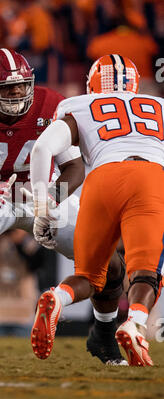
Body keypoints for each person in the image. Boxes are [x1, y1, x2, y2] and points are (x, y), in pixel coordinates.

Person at [0, 48, 126, 366]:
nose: (17, 93)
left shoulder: (51, 106)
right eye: (7, 87)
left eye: (22, 85)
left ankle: (103, 336)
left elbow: (74, 168)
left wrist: (52, 199)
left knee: (110, 261)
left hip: (43, 194)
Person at [29, 54, 164, 366]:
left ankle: (57, 298)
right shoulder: (157, 106)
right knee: (146, 271)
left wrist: (41, 205)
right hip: (150, 178)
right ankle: (135, 325)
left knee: (89, 277)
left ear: (91, 84)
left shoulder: (77, 106)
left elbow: (41, 149)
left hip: (101, 180)